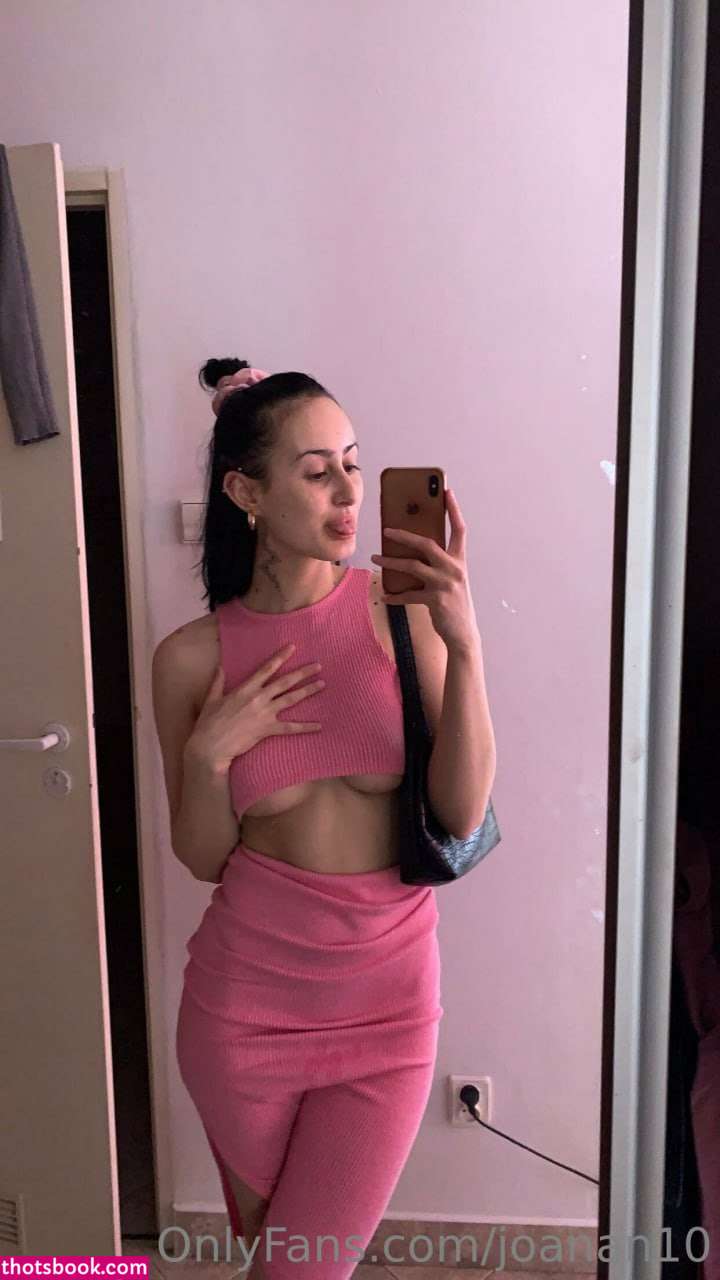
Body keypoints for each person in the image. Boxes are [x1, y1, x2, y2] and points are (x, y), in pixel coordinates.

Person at [151, 359, 496, 1279]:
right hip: (243, 1014)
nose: (349, 493)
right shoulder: (191, 660)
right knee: (283, 1265)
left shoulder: (402, 619)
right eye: (316, 472)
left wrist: (465, 645)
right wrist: (208, 757)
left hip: (389, 1010)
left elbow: (461, 811)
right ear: (245, 492)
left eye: (353, 463)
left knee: (300, 1269)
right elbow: (202, 857)